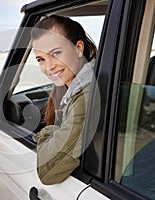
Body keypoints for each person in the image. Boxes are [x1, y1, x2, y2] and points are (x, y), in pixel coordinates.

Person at [31, 15, 97, 185]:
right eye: (41, 59)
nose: (49, 66)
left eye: (56, 53)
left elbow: (47, 172)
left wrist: (46, 133)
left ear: (78, 48)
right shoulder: (78, 85)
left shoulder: (85, 97)